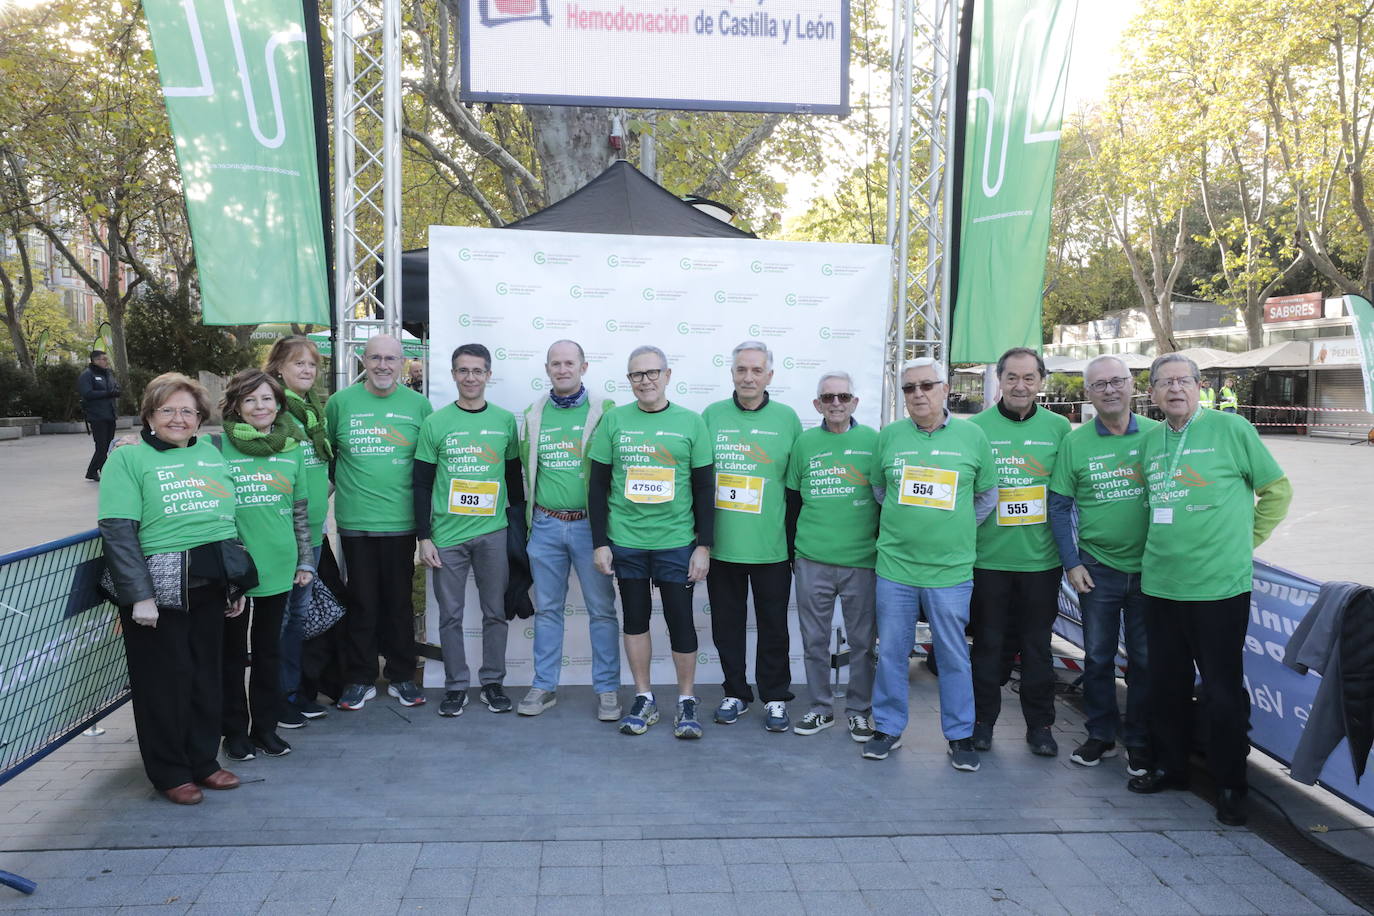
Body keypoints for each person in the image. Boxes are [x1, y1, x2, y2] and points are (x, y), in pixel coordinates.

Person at [1129, 353, 1292, 827]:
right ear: (1154, 393)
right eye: (1165, 383)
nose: (1175, 389)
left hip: (1219, 590)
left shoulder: (1232, 430)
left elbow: (1278, 492)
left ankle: (1229, 784)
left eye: (1184, 381)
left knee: (1221, 693)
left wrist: (1244, 542)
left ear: (1199, 387)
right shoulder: (1151, 442)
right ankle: (1172, 768)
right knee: (1167, 687)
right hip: (1160, 586)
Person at [97, 373, 246, 804]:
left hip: (210, 584)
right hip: (156, 592)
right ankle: (170, 772)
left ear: (200, 418)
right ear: (149, 416)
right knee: (164, 684)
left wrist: (234, 587)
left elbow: (226, 522)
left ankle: (203, 762)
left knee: (205, 678)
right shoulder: (128, 459)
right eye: (167, 411)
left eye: (187, 411)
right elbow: (119, 530)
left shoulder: (212, 454)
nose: (178, 419)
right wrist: (138, 595)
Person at [867, 359, 997, 770]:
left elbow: (986, 497)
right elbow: (879, 489)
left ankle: (960, 736)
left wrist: (952, 525)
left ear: (944, 389)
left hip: (950, 572)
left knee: (954, 656)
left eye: (926, 385)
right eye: (909, 388)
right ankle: (887, 728)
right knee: (891, 652)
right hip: (895, 568)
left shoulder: (973, 436)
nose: (918, 394)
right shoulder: (888, 437)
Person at [589, 345, 714, 739]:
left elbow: (704, 487)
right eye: (636, 375)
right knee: (635, 619)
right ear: (629, 380)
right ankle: (644, 697)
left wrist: (703, 545)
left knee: (681, 621)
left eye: (652, 373)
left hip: (676, 541)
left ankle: (686, 700)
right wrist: (600, 541)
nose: (645, 381)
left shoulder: (691, 423)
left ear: (668, 374)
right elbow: (596, 486)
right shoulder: (613, 421)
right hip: (627, 541)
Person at [1048, 355, 1158, 774]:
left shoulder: (1159, 434)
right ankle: (1100, 736)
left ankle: (1140, 741)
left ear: (1133, 385)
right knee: (1097, 657)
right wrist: (1071, 563)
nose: (1110, 390)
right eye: (1099, 385)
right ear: (1088, 393)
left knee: (1146, 661)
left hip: (1154, 571)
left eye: (1117, 381)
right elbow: (1058, 508)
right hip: (1098, 569)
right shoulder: (1075, 443)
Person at [967, 348, 1071, 757]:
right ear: (999, 380)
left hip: (1040, 562)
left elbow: (1068, 494)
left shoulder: (1060, 428)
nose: (1020, 385)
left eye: (1029, 378)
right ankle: (981, 723)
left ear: (1041, 381)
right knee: (988, 646)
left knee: (1037, 649)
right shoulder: (975, 428)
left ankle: (1041, 726)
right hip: (987, 560)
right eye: (1012, 377)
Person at [326, 335, 434, 711]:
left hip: (402, 522)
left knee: (399, 603)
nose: (383, 365)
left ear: (403, 362)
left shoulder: (420, 406)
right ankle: (360, 677)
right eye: (375, 358)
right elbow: (328, 459)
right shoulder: (340, 404)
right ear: (363, 360)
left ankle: (403, 675)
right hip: (355, 523)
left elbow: (429, 468)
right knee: (361, 602)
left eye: (391, 358)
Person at [414, 343, 522, 717]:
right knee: (450, 616)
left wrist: (519, 528)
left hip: (493, 533)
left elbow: (514, 478)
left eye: (478, 371)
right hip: (447, 536)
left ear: (489, 375)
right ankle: (456, 686)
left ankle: (493, 681)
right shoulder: (436, 423)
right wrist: (423, 535)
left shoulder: (506, 421)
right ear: (454, 374)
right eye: (463, 370)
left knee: (495, 612)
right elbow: (422, 483)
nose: (470, 377)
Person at [517, 340, 621, 720]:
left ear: (584, 367)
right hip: (545, 525)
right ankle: (544, 686)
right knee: (547, 611)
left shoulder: (605, 411)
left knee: (602, 612)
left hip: (589, 528)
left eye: (569, 363)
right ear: (547, 369)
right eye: (555, 364)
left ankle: (608, 690)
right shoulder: (533, 414)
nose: (562, 370)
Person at [703, 341, 802, 733]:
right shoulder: (710, 416)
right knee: (726, 625)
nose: (748, 377)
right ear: (731, 373)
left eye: (757, 370)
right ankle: (735, 692)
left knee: (774, 627)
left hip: (772, 547)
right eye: (742, 369)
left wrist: (795, 544)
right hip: (722, 546)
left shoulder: (787, 419)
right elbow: (697, 480)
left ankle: (776, 697)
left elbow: (796, 486)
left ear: (770, 376)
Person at [216, 369, 315, 761]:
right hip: (235, 570)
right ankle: (234, 733)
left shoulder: (293, 448)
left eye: (267, 399)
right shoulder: (216, 446)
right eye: (251, 400)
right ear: (237, 406)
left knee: (268, 652)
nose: (260, 407)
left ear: (279, 404)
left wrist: (306, 559)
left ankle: (265, 728)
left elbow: (300, 512)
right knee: (232, 656)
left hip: (280, 564)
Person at [786, 370, 878, 741]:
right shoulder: (804, 444)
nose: (836, 403)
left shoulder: (875, 441)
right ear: (817, 404)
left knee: (862, 643)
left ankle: (859, 711)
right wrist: (794, 553)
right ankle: (820, 708)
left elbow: (886, 500)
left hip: (863, 561)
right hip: (812, 559)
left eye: (843, 397)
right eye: (828, 398)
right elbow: (792, 502)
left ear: (855, 402)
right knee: (814, 642)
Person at [264, 336, 331, 725]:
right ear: (278, 368)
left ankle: (292, 691)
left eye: (311, 365)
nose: (307, 370)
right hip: (283, 533)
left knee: (298, 618)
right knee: (284, 619)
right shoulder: (271, 410)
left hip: (313, 532)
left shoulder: (312, 413)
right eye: (298, 364)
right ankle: (279, 697)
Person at [79, 350, 120, 481]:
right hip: (97, 416)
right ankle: (100, 471)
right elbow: (87, 393)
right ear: (95, 360)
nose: (106, 361)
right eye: (103, 359)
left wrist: (116, 392)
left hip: (110, 414)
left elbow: (115, 388)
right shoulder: (87, 375)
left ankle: (93, 471)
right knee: (101, 446)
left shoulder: (108, 374)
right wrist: (107, 393)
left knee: (107, 445)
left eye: (106, 359)